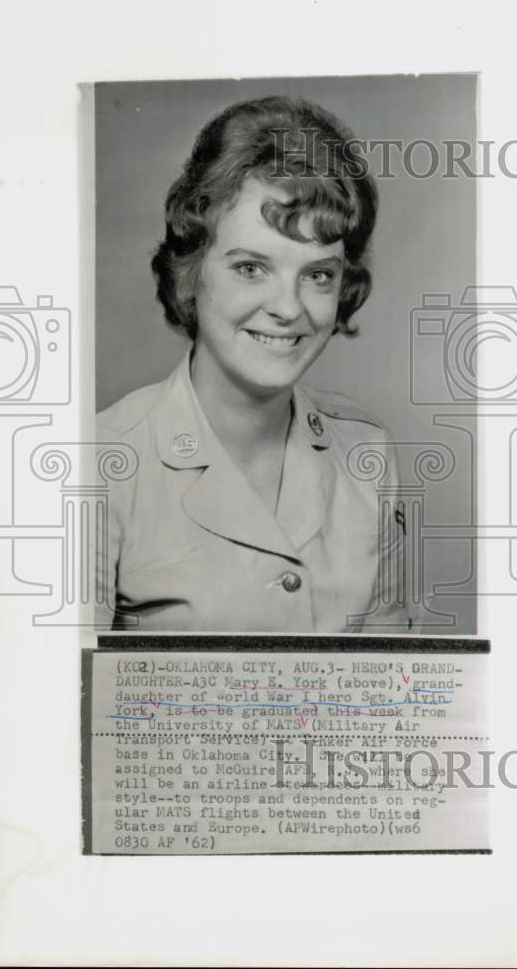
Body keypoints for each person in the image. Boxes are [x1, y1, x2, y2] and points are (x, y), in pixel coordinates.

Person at [96, 96, 413, 632]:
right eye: (250, 267)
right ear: (192, 272)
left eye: (317, 275)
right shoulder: (97, 465)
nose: (289, 308)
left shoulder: (369, 455)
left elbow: (392, 695)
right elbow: (55, 704)